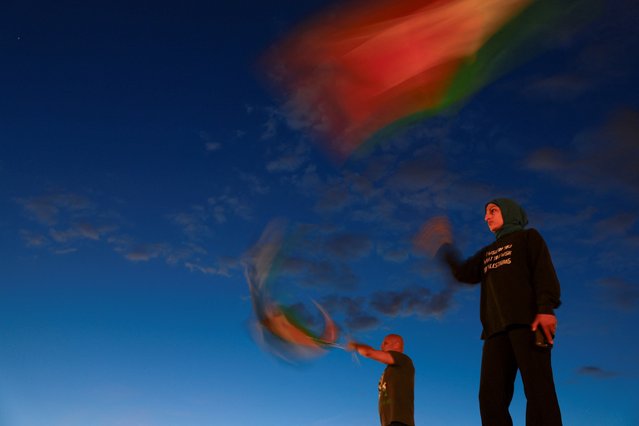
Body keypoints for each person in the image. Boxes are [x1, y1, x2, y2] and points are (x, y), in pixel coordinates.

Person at [420, 198, 562, 425]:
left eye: (492, 211)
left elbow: (543, 272)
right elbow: (464, 273)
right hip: (495, 330)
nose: (486, 217)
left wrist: (546, 308)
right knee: (490, 396)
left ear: (509, 212)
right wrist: (445, 246)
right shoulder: (488, 252)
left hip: (528, 323)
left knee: (538, 390)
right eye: (486, 213)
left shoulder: (528, 238)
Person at [349, 334, 415, 426]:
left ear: (396, 344)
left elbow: (369, 352)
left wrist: (356, 346)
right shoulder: (390, 370)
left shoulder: (403, 360)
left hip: (399, 422)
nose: (381, 346)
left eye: (385, 343)